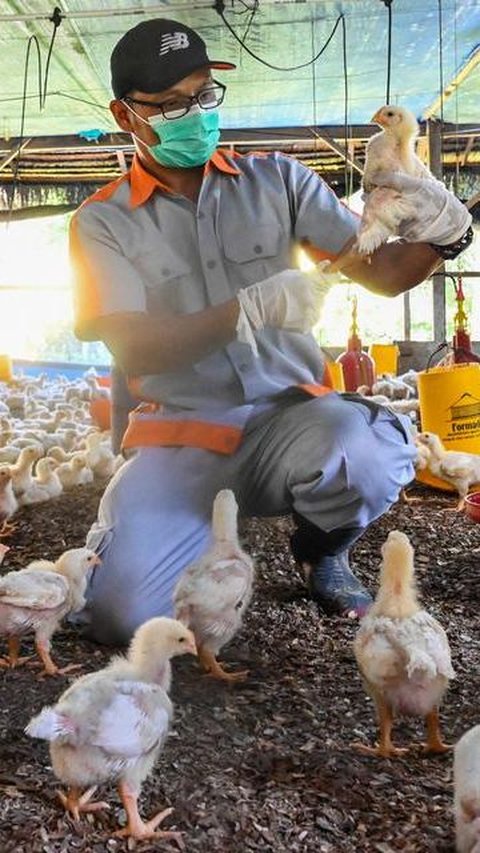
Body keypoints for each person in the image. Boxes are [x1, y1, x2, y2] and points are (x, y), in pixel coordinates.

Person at [71, 18, 473, 645]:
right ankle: (135, 535)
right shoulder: (103, 222)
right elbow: (132, 345)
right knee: (125, 618)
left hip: (289, 422)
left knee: (366, 447)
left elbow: (380, 274)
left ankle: (322, 550)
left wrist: (448, 235)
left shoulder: (279, 181)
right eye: (171, 105)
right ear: (126, 116)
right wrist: (245, 311)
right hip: (183, 436)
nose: (195, 113)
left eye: (203, 95)